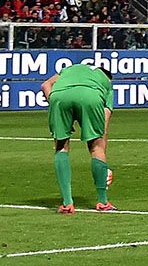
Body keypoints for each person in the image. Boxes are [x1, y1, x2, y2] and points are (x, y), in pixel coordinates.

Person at [41, 62, 115, 213]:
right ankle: (103, 202)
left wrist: (56, 104)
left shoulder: (69, 69)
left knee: (61, 146)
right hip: (90, 96)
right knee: (96, 147)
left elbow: (45, 85)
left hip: (59, 96)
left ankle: (67, 203)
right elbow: (105, 119)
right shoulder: (106, 82)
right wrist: (103, 165)